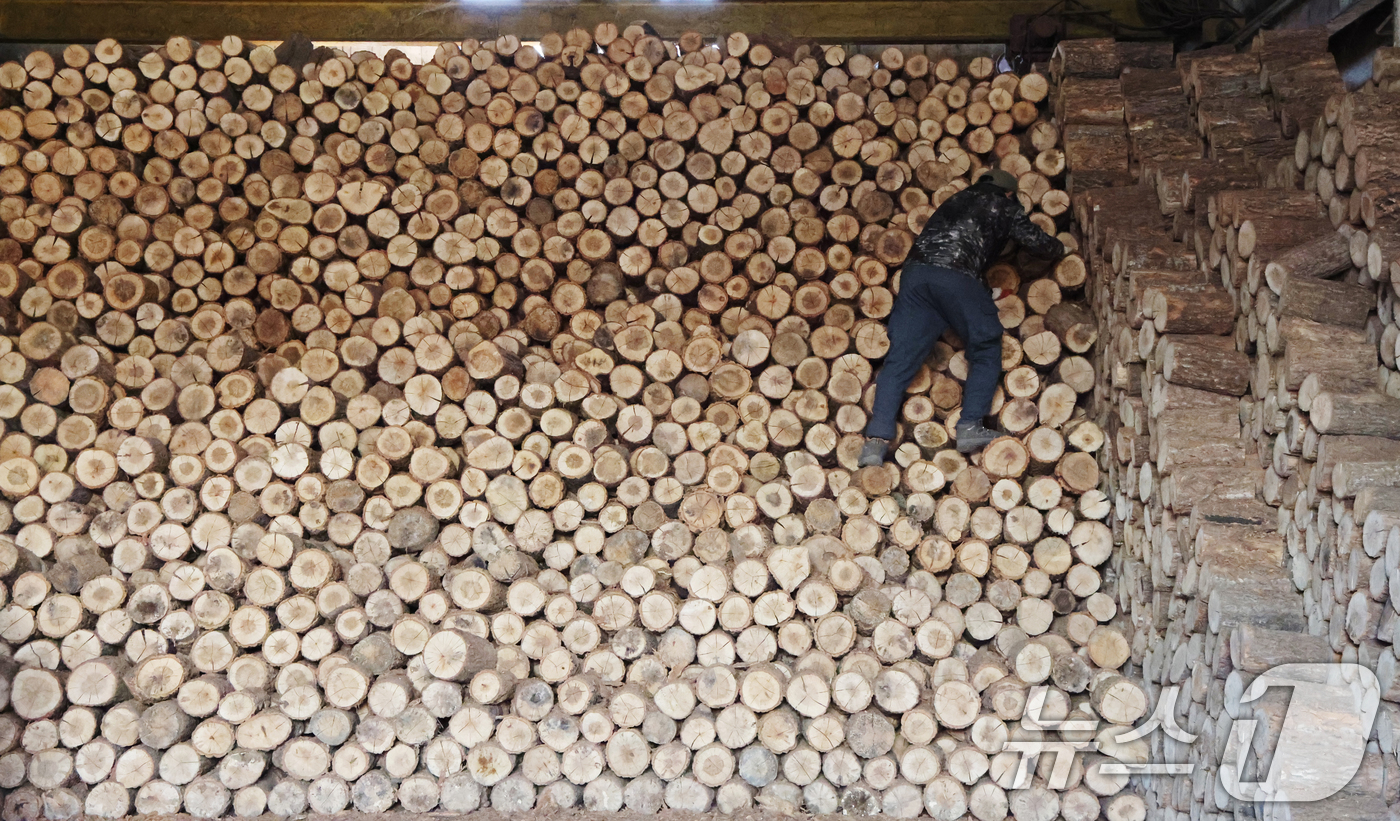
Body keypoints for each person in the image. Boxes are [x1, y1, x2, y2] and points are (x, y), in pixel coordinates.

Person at [859, 169, 1065, 467]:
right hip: (956, 276)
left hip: (916, 275)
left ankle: (874, 444)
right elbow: (1034, 240)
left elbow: (955, 244)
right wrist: (1061, 249)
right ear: (1008, 192)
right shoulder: (1002, 204)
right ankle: (969, 427)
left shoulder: (955, 201)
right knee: (985, 344)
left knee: (901, 358)